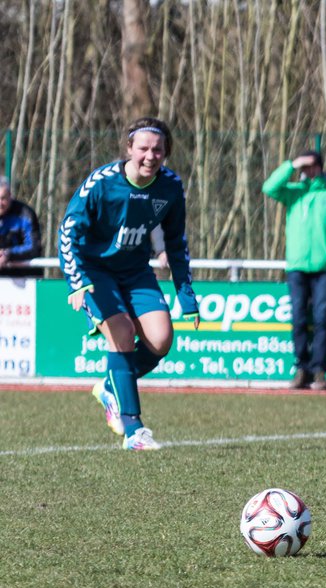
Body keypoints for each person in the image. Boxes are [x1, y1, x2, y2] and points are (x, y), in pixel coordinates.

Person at [58, 117, 198, 451]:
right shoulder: (101, 183)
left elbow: (177, 242)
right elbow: (68, 230)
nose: (151, 156)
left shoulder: (170, 186)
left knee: (161, 339)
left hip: (136, 271)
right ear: (128, 149)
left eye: (158, 150)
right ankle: (133, 430)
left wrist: (186, 295)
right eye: (143, 149)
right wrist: (76, 280)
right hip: (94, 272)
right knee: (120, 332)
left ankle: (110, 386)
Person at [262, 149, 326, 391]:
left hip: (324, 267)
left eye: (310, 165)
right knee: (299, 319)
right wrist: (291, 164)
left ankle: (320, 369)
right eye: (303, 167)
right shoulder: (293, 193)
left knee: (323, 319)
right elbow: (269, 187)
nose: (306, 170)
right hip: (297, 266)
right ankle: (301, 367)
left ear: (320, 168)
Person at [0, 178, 42, 278]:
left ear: (10, 196)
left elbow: (34, 247)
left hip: (25, 278)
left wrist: (8, 254)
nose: (0, 203)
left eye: (3, 198)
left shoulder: (25, 214)